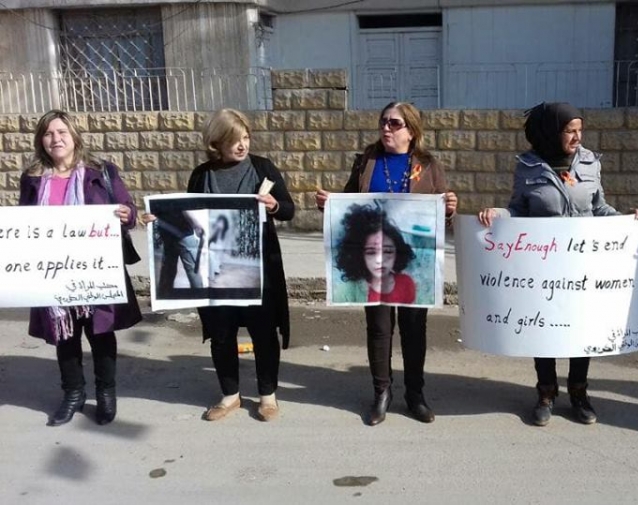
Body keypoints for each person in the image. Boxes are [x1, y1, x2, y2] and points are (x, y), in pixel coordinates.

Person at [478, 102, 638, 427]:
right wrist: (498, 214)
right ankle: (546, 392)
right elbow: (518, 210)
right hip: (544, 267)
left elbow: (599, 207)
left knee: (581, 327)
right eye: (570, 131)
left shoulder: (590, 162)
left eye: (580, 130)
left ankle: (579, 392)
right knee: (544, 327)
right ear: (552, 132)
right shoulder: (528, 166)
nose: (577, 137)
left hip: (582, 263)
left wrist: (626, 220)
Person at [144, 108, 295, 422]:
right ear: (216, 143)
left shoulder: (263, 168)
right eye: (234, 140)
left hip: (258, 269)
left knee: (263, 331)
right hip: (212, 268)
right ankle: (230, 396)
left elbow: (288, 209)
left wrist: (274, 205)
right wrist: (158, 219)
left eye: (246, 138)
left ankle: (268, 396)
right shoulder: (202, 174)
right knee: (221, 332)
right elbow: (186, 214)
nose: (242, 145)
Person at [316, 101, 458, 426]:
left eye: (394, 123)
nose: (386, 128)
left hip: (411, 261)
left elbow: (441, 217)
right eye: (383, 122)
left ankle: (415, 394)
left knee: (414, 329)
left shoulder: (428, 165)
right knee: (379, 329)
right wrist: (330, 204)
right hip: (375, 261)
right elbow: (350, 200)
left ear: (412, 131)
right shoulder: (368, 160)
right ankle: (381, 392)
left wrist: (449, 209)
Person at [18, 109, 142, 426]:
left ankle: (105, 393)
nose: (55, 139)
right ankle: (73, 394)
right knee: (65, 335)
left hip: (96, 269)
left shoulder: (100, 171)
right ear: (41, 140)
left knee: (100, 333)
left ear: (74, 136)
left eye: (62, 132)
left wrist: (126, 214)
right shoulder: (33, 178)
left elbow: (129, 209)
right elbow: (24, 221)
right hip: (53, 270)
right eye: (48, 133)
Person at [334, 203, 417, 304]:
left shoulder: (406, 283)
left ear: (398, 253)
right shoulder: (347, 291)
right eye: (371, 252)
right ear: (359, 255)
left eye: (388, 251)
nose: (380, 260)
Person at [154, 209, 205, 295]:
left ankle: (164, 296)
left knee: (168, 269)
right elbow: (184, 208)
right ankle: (200, 296)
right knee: (192, 270)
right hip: (182, 232)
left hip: (166, 233)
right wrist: (196, 224)